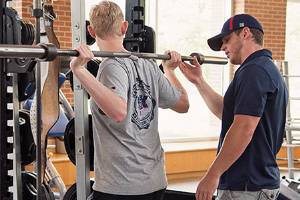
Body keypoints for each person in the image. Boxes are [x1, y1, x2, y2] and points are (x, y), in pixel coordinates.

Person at [69, 1, 189, 200]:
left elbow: (118, 112)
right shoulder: (148, 65)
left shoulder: (110, 67)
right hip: (154, 182)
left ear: (91, 30)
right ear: (124, 27)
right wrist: (169, 70)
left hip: (121, 187)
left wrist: (79, 70)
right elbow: (183, 104)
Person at [179, 14, 288, 200]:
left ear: (245, 33)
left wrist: (213, 175)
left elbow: (244, 128)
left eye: (227, 40)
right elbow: (227, 113)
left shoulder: (254, 71)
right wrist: (199, 81)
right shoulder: (261, 68)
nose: (223, 47)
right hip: (252, 184)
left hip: (248, 187)